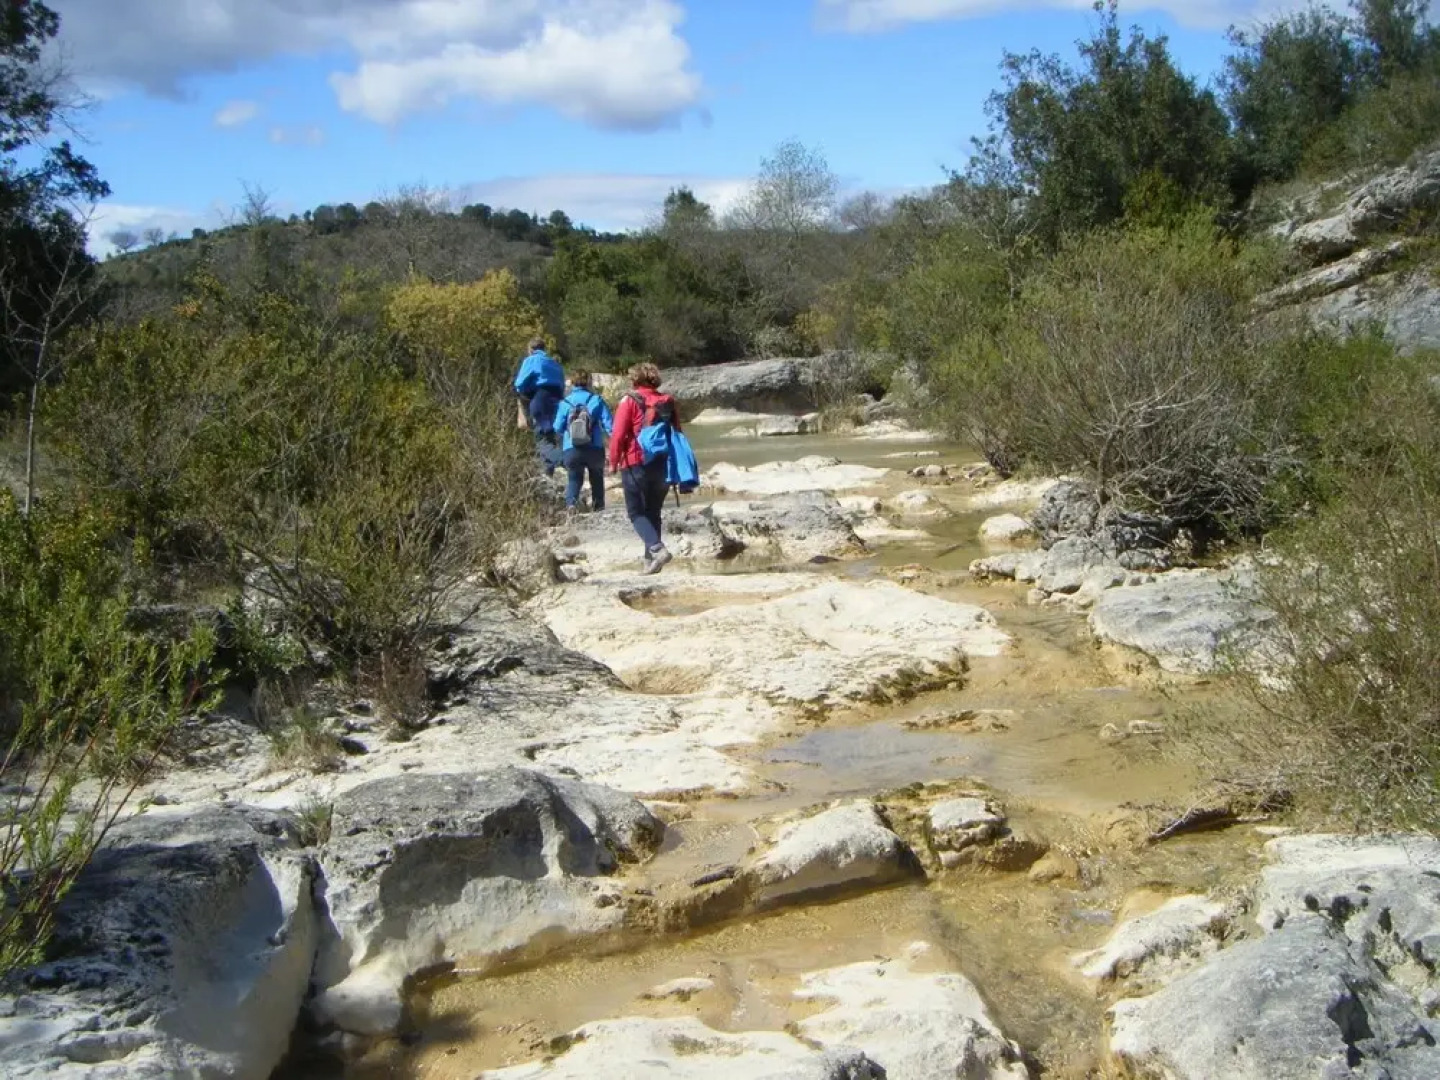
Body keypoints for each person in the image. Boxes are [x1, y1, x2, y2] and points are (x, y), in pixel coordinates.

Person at [609, 362, 679, 574]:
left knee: (636, 512)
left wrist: (613, 461)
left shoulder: (629, 401)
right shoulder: (667, 401)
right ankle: (650, 562)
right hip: (662, 463)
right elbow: (677, 432)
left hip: (635, 461)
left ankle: (657, 549)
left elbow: (618, 435)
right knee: (653, 511)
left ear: (634, 380)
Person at [552, 371, 613, 513]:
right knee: (597, 477)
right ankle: (598, 507)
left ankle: (571, 504)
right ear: (589, 383)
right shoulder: (597, 400)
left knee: (574, 477)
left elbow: (557, 427)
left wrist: (568, 434)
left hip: (571, 448)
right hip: (594, 447)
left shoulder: (565, 403)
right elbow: (610, 426)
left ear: (572, 383)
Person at [512, 337, 565, 476]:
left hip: (540, 398)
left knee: (541, 438)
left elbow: (519, 384)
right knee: (550, 435)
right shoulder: (554, 363)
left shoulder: (531, 360)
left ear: (530, 349)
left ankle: (565, 460)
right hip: (557, 400)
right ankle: (547, 474)